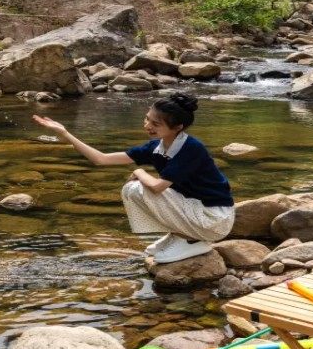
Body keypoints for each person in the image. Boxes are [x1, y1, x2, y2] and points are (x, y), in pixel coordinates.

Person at [32, 92, 235, 264]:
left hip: (214, 220)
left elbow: (158, 187)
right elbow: (101, 159)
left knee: (137, 187)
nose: (148, 125)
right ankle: (182, 236)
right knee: (131, 190)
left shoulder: (190, 148)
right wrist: (64, 133)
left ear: (178, 127)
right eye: (147, 119)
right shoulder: (156, 147)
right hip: (195, 210)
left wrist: (138, 172)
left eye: (156, 123)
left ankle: (194, 240)